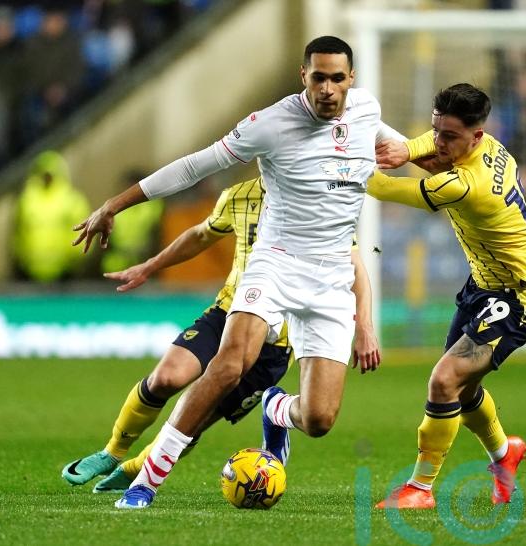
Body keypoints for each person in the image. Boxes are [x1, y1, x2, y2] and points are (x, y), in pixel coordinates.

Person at [72, 35, 389, 509]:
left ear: (351, 81)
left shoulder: (365, 111)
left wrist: (431, 158)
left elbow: (399, 144)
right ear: (304, 76)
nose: (327, 88)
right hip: (276, 263)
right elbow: (193, 167)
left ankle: (276, 409)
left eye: (336, 79)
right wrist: (114, 204)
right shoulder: (271, 124)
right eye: (318, 77)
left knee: (320, 419)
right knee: (226, 366)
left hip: (331, 281)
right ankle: (147, 481)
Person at [62, 176, 380, 493]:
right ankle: (112, 452)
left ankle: (137, 468)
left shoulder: (322, 201)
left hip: (276, 341)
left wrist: (364, 326)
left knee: (198, 416)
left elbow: (354, 266)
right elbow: (200, 235)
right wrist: (150, 266)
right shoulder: (239, 196)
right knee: (166, 378)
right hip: (230, 311)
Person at [371, 83, 526, 509]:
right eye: (436, 130)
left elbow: (382, 189)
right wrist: (408, 149)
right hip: (483, 288)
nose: (438, 142)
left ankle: (419, 489)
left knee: (444, 379)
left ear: (475, 135)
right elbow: (430, 150)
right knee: (460, 389)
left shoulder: (469, 184)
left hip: (521, 294)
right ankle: (504, 453)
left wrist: (338, 163)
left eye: (449, 136)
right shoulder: (487, 145)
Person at [13, 150, 90, 282]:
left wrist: (76, 259)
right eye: (43, 174)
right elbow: (19, 232)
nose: (46, 178)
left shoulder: (72, 200)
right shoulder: (26, 200)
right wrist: (21, 259)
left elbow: (85, 230)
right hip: (31, 270)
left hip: (65, 271)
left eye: (50, 174)